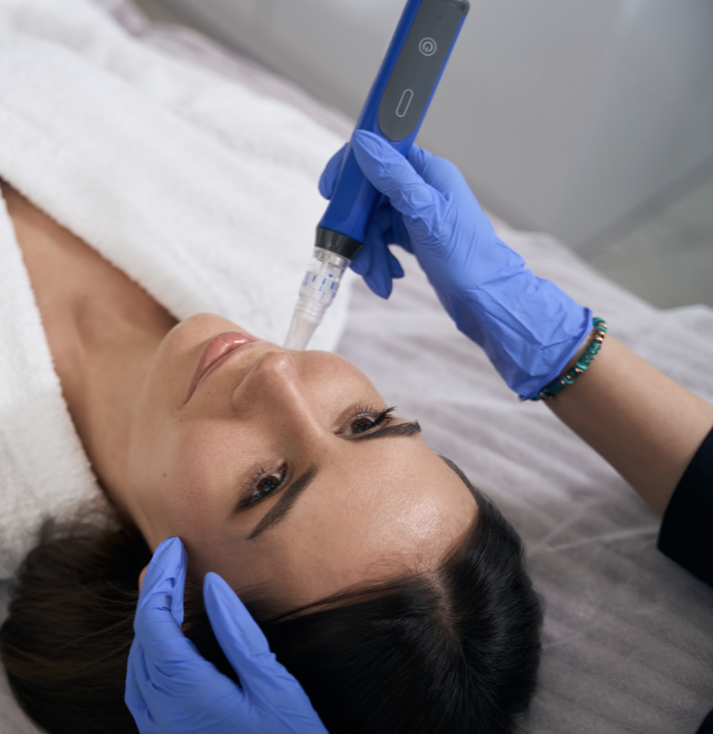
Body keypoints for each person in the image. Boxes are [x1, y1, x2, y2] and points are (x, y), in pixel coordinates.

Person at [124, 131, 713, 734]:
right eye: (365, 423)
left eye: (266, 484)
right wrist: (561, 344)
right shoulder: (267, 207)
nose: (278, 370)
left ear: (172, 608)